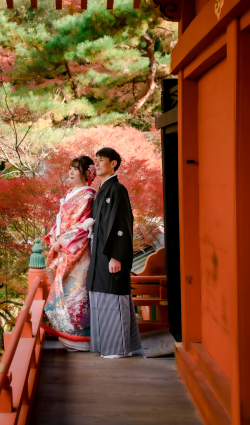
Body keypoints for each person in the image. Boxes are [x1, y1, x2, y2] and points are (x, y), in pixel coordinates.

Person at [86, 147, 142, 358]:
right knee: (102, 295)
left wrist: (116, 255)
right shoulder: (103, 189)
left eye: (102, 160)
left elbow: (121, 224)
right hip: (100, 252)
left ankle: (118, 348)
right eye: (96, 160)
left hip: (110, 254)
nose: (97, 164)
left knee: (113, 296)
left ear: (114, 163)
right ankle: (109, 346)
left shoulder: (117, 189)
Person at [43, 156, 96, 351]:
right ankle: (66, 334)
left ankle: (80, 338)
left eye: (76, 169)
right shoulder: (71, 192)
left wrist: (62, 241)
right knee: (64, 291)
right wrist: (55, 238)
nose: (71, 172)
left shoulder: (88, 195)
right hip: (64, 248)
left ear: (86, 173)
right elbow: (60, 220)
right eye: (70, 169)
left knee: (77, 292)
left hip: (77, 251)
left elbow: (83, 226)